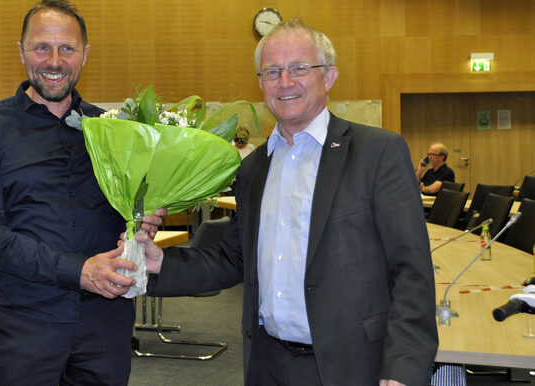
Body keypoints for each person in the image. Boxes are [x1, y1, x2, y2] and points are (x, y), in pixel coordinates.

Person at [137, 19, 438, 386]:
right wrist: (161, 263)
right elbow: (234, 258)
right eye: (272, 71)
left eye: (299, 68)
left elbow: (411, 269)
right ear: (260, 82)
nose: (285, 82)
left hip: (355, 366)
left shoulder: (378, 153)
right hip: (268, 364)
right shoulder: (252, 168)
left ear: (328, 77)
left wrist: (404, 368)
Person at [0, 1, 163, 384]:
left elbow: (129, 217)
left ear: (84, 55)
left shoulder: (113, 132)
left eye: (67, 48)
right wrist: (79, 271)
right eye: (41, 47)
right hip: (24, 327)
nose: (54, 61)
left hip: (105, 327)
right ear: (21, 52)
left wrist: (143, 224)